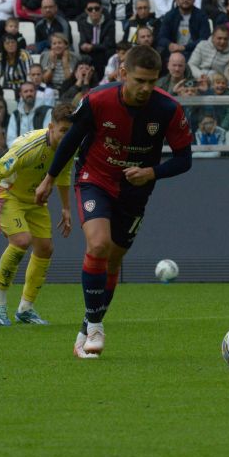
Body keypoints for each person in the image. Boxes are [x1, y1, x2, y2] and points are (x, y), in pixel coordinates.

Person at [34, 45, 192, 359]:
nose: (146, 88)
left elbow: (185, 159)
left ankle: (87, 325)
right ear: (122, 74)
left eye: (151, 81)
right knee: (98, 246)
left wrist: (152, 172)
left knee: (114, 261)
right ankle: (95, 327)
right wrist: (50, 178)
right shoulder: (97, 100)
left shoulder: (167, 109)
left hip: (135, 191)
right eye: (139, 80)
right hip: (96, 178)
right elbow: (73, 138)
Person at [0, 103, 74, 326]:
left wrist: (65, 207)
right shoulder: (29, 147)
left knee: (45, 248)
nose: (67, 136)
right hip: (9, 194)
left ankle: (26, 308)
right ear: (51, 127)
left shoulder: (71, 146)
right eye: (63, 131)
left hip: (34, 199)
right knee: (21, 240)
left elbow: (63, 174)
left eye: (71, 132)